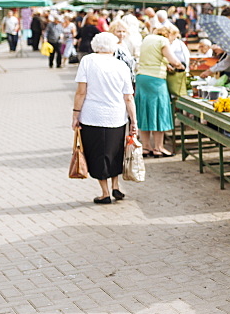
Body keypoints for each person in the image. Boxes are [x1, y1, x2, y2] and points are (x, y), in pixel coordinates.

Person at [72, 33, 138, 204]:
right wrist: (134, 121)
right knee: (115, 152)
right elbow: (129, 97)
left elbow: (81, 92)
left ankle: (105, 193)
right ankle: (116, 186)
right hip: (117, 117)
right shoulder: (121, 65)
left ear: (95, 45)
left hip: (92, 116)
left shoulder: (87, 61)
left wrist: (75, 114)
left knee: (97, 154)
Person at [135, 26, 185, 158]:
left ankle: (146, 147)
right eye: (174, 38)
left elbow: (153, 58)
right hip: (156, 80)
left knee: (144, 111)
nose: (173, 41)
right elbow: (173, 60)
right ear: (170, 34)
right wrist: (180, 66)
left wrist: (166, 66)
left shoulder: (147, 39)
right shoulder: (163, 41)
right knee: (159, 111)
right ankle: (158, 147)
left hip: (141, 78)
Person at [165, 24, 191, 97]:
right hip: (178, 68)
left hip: (179, 70)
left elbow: (168, 55)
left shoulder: (175, 43)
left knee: (176, 92)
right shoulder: (175, 42)